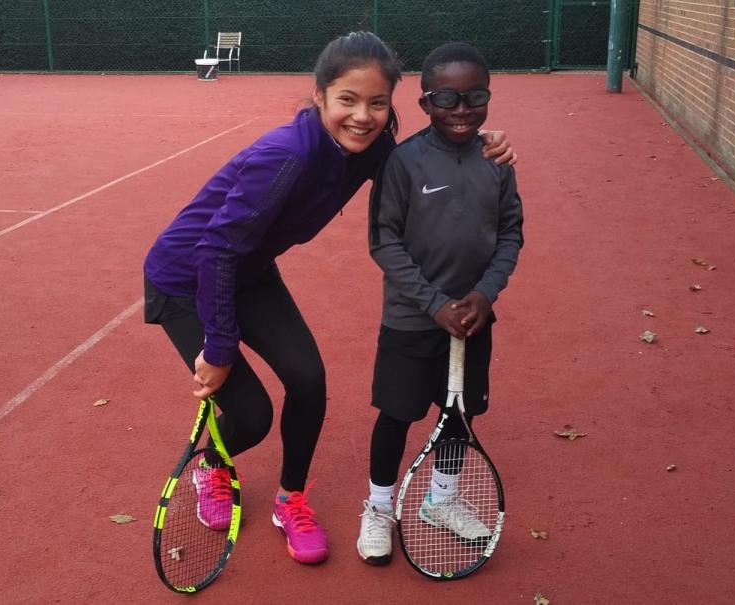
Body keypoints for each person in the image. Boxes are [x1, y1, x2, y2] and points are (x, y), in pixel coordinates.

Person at [143, 32, 515, 565]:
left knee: (309, 380)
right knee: (250, 415)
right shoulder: (287, 156)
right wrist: (220, 348)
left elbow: (423, 161)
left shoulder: (371, 149)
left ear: (391, 107)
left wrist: (480, 141)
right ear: (319, 96)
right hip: (187, 276)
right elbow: (215, 253)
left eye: (377, 103)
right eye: (347, 100)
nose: (362, 116)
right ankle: (212, 468)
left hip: (249, 271)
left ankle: (290, 498)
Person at [356, 41, 524, 565]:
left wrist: (484, 294)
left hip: (473, 319)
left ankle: (441, 500)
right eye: (446, 99)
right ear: (425, 103)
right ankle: (380, 507)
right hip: (412, 319)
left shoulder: (497, 160)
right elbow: (384, 241)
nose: (462, 109)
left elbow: (511, 235)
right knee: (397, 415)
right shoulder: (403, 163)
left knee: (459, 415)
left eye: (475, 96)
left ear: (488, 97)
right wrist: (433, 303)